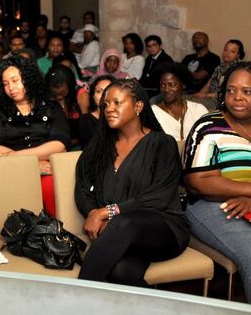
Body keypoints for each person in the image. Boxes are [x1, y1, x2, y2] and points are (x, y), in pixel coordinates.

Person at [75, 79, 188, 286]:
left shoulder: (162, 144)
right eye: (106, 105)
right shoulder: (99, 146)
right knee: (121, 272)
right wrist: (93, 213)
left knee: (123, 223)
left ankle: (77, 299)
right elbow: (83, 188)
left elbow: (159, 197)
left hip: (163, 228)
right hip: (117, 233)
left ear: (138, 106)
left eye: (117, 103)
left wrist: (107, 212)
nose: (109, 109)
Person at [183, 62, 251, 304]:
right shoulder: (208, 126)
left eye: (247, 91)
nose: (237, 98)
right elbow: (198, 182)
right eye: (231, 90)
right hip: (208, 206)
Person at [0, 57, 70, 215]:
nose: (10, 87)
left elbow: (60, 143)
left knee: (51, 185)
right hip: (9, 171)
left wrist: (14, 156)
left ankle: (57, 235)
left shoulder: (51, 106)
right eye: (5, 84)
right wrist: (30, 165)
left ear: (28, 79)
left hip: (47, 169)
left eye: (15, 81)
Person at [150, 63, 209, 142]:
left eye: (172, 85)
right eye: (163, 85)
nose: (166, 89)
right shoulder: (153, 112)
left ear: (183, 85)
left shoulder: (199, 110)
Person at [193, 39, 245, 109]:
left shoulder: (236, 70)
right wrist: (199, 94)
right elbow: (209, 83)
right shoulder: (219, 67)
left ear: (238, 55)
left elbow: (227, 93)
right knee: (187, 99)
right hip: (208, 97)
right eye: (226, 50)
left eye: (232, 51)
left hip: (219, 102)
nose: (227, 53)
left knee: (192, 105)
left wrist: (205, 95)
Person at [46, 65, 85, 147]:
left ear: (69, 85)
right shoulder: (46, 101)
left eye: (62, 92)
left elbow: (87, 127)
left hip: (79, 146)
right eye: (55, 93)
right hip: (53, 147)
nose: (58, 92)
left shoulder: (80, 95)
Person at [78, 75, 115, 149]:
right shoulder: (86, 120)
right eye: (99, 91)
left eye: (108, 91)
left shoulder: (122, 118)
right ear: (93, 97)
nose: (103, 95)